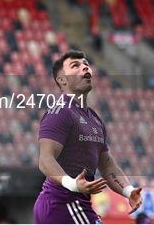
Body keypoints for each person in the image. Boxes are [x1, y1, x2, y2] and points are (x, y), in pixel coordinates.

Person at [34, 50, 143, 224]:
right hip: (62, 203)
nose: (84, 67)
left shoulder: (94, 118)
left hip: (75, 203)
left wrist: (128, 191)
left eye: (85, 64)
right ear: (62, 80)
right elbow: (45, 160)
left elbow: (107, 165)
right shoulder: (60, 112)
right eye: (75, 66)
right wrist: (73, 184)